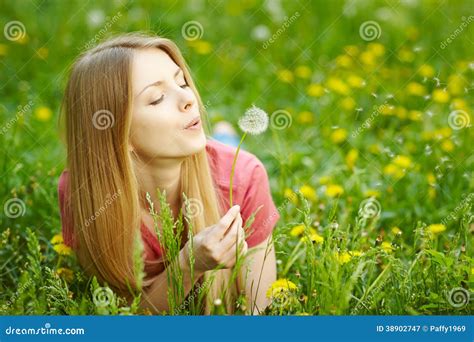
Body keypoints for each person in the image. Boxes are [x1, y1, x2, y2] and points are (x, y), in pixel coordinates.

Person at [57, 32, 279, 315]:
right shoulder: (84, 195)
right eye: (157, 98)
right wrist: (188, 264)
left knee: (227, 154)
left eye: (182, 81)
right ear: (117, 135)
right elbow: (127, 318)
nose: (188, 98)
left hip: (220, 166)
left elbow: (258, 311)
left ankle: (225, 137)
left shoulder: (244, 178)